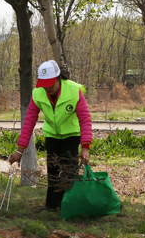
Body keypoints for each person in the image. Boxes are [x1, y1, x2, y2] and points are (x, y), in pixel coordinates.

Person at [9, 60, 92, 210]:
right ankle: (51, 206)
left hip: (71, 135)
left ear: (59, 79)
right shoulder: (38, 93)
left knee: (68, 170)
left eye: (51, 84)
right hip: (52, 136)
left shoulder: (74, 91)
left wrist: (85, 147)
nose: (47, 88)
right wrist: (19, 150)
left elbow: (85, 119)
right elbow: (29, 122)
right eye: (44, 84)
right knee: (53, 170)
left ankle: (65, 205)